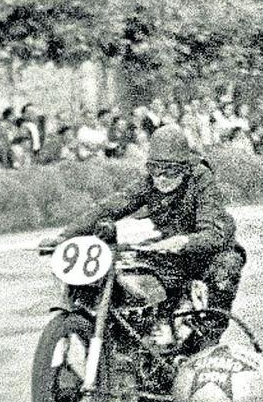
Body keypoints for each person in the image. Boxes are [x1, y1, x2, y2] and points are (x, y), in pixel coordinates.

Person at [39, 124, 246, 334]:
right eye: (156, 169)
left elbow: (212, 232)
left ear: (185, 167)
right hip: (169, 247)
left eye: (171, 170)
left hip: (210, 251)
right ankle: (133, 329)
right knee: (125, 266)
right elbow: (111, 206)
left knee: (226, 267)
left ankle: (208, 335)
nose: (162, 177)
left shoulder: (201, 178)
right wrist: (65, 237)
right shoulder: (149, 182)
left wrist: (184, 242)